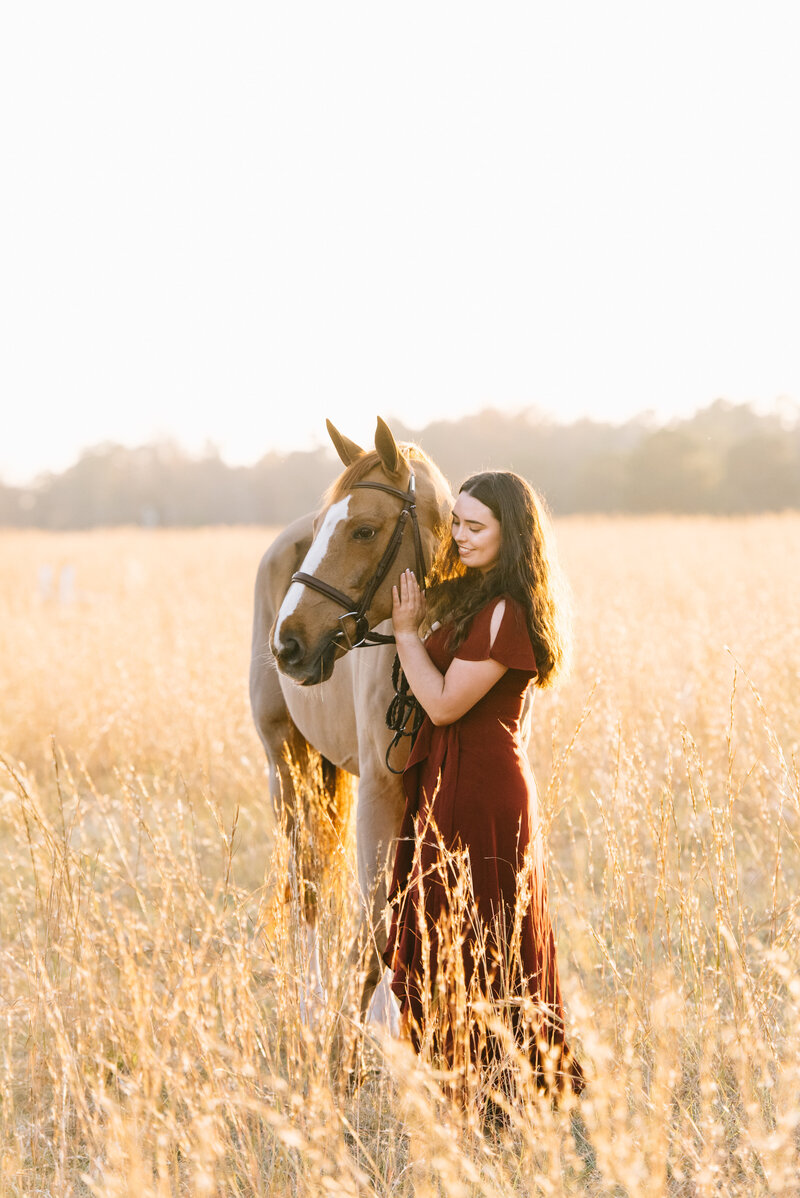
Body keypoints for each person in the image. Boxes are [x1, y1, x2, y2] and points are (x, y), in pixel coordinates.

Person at [383, 470, 583, 1100]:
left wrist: (407, 633)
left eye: (476, 527)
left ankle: (506, 1086)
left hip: (483, 786)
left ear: (511, 534)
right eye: (458, 524)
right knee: (453, 922)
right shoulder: (473, 599)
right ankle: (463, 1076)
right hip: (450, 780)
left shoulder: (505, 612)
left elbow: (442, 704)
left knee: (489, 928)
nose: (462, 537)